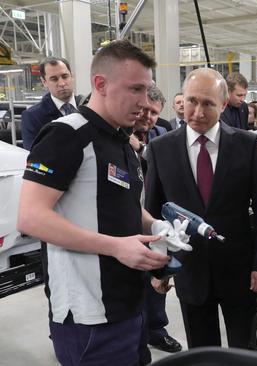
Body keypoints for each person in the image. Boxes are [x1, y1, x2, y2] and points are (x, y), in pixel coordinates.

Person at [17, 40, 170, 366]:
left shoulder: (122, 141)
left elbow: (124, 204)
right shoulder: (66, 135)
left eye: (147, 91)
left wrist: (156, 225)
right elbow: (31, 217)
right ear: (100, 84)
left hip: (129, 301)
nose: (144, 102)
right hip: (88, 315)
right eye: (136, 89)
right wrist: (115, 246)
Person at [144, 67, 257, 349]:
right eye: (192, 101)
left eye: (208, 104)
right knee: (202, 351)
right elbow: (153, 213)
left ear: (224, 104)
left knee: (245, 348)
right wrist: (158, 269)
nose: (198, 112)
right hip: (189, 270)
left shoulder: (247, 145)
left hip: (239, 270)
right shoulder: (160, 148)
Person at [127, 85, 183, 355]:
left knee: (158, 278)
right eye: (145, 110)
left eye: (154, 113)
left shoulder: (160, 133)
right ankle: (137, 336)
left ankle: (157, 330)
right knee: (134, 285)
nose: (148, 117)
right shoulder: (119, 136)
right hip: (128, 223)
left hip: (156, 217)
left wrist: (144, 148)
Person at [21, 57, 83, 150]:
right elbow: (34, 156)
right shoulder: (32, 117)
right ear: (44, 82)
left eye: (65, 76)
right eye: (54, 79)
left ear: (72, 76)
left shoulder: (88, 106)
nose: (62, 83)